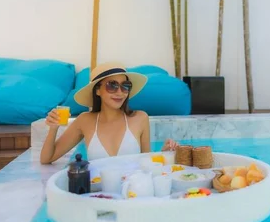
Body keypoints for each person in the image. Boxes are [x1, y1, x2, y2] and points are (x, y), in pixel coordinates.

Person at [40, 62, 178, 164]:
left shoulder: (140, 118)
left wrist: (164, 154)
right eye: (112, 85)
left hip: (130, 194)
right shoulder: (85, 120)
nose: (119, 92)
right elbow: (47, 159)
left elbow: (146, 163)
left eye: (125, 86)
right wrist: (53, 128)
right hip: (98, 195)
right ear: (97, 90)